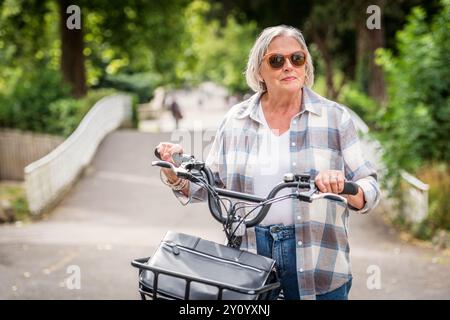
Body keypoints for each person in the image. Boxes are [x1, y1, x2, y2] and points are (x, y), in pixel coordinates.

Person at [156, 25, 380, 300]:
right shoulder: (236, 120)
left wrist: (345, 187)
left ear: (305, 65)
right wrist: (174, 171)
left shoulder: (335, 118)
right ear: (259, 70)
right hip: (250, 259)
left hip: (319, 260)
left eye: (297, 59)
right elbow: (209, 186)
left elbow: (369, 187)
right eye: (276, 60)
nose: (288, 66)